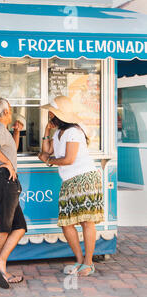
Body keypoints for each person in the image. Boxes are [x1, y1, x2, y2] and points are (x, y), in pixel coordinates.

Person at [38, 96, 104, 277]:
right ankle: (80, 260)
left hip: (84, 179)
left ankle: (88, 263)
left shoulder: (74, 131)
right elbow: (46, 150)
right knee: (67, 224)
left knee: (86, 221)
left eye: (51, 112)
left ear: (59, 114)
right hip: (69, 181)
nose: (49, 114)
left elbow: (68, 159)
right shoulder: (59, 131)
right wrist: (46, 130)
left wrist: (49, 161)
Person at [0, 98, 27, 289]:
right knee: (4, 226)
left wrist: (16, 132)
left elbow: (11, 151)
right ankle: (0, 266)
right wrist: (8, 164)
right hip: (3, 180)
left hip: (3, 181)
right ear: (6, 112)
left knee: (18, 226)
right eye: (11, 109)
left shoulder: (2, 130)